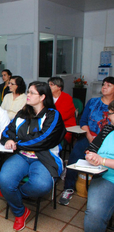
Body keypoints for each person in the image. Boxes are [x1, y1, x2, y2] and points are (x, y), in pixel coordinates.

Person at [0, 81, 65, 231]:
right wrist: (9, 139)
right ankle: (21, 212)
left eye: (32, 93)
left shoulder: (53, 115)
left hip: (44, 157)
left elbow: (43, 139)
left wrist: (17, 142)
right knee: (4, 179)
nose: (27, 95)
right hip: (22, 155)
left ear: (42, 97)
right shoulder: (22, 113)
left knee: (41, 185)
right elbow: (6, 131)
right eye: (28, 92)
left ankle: (12, 194)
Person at [59, 77, 114, 206]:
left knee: (102, 162)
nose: (104, 87)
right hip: (90, 136)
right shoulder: (93, 102)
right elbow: (83, 121)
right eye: (103, 84)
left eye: (109, 85)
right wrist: (89, 136)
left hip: (108, 141)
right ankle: (68, 188)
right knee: (75, 156)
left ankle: (101, 190)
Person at [84, 101, 114, 232]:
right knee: (94, 214)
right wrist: (90, 156)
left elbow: (101, 159)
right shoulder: (108, 128)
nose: (108, 117)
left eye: (111, 113)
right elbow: (92, 148)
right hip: (105, 177)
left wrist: (102, 160)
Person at [48, 77, 76, 143]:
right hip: (50, 125)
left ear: (59, 87)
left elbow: (62, 116)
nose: (49, 87)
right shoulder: (48, 98)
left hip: (65, 127)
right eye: (48, 84)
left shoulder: (67, 98)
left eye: (51, 85)